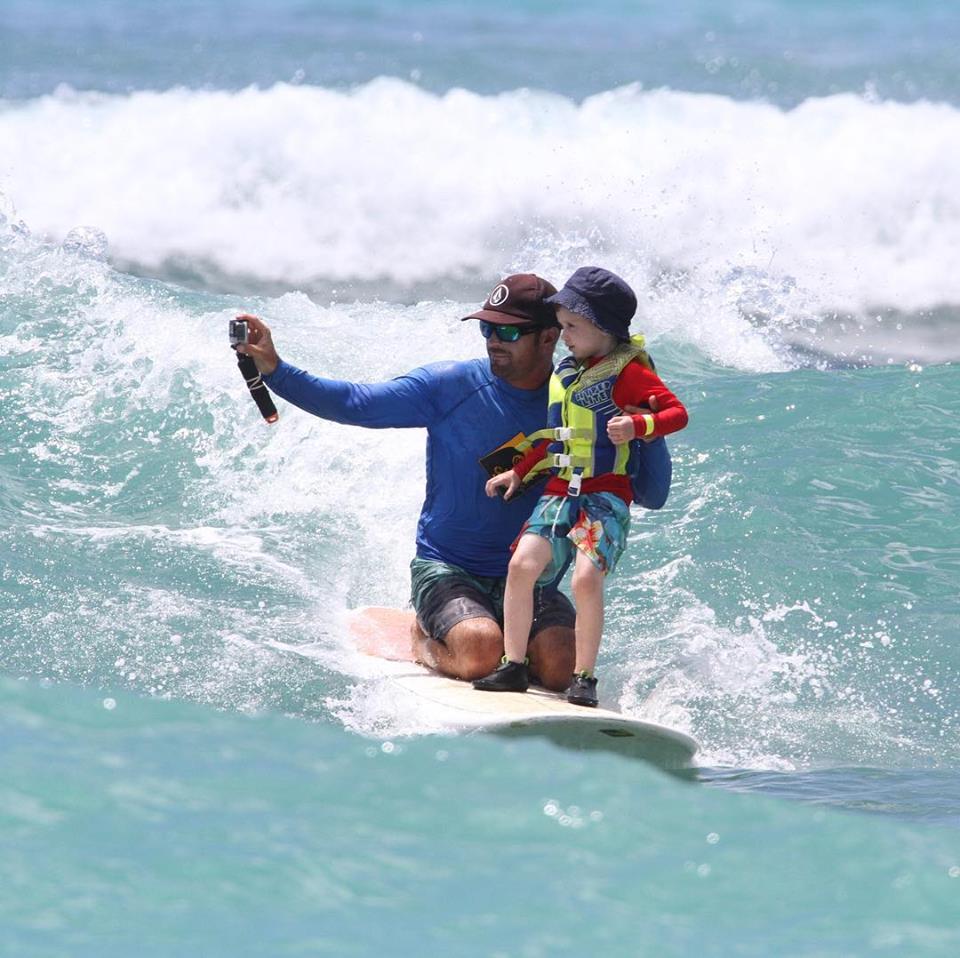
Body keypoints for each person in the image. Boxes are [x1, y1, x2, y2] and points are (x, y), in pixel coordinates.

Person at [235, 274, 584, 689]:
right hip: (451, 569)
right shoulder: (450, 386)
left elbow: (649, 488)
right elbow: (357, 403)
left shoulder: (577, 403)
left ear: (549, 338)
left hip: (532, 578)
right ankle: (423, 638)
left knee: (562, 665)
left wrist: (642, 428)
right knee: (478, 651)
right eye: (486, 328)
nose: (493, 340)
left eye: (507, 331)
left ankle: (510, 643)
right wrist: (275, 370)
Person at [473, 267, 689, 707]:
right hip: (558, 490)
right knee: (521, 566)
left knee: (587, 580)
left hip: (606, 495)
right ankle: (512, 665)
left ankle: (584, 678)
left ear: (603, 328)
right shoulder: (567, 372)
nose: (563, 335)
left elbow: (677, 413)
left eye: (572, 327)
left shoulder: (628, 372)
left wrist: (638, 424)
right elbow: (558, 437)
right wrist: (521, 471)